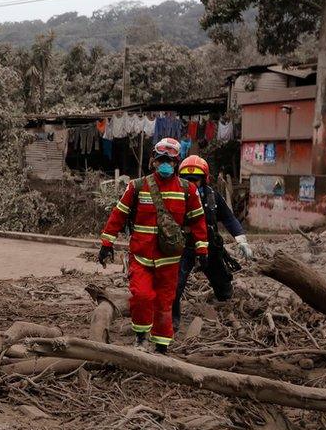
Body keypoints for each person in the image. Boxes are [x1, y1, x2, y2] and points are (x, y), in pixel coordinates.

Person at [98, 138, 209, 354]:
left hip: (169, 260)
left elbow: (198, 222)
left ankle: (161, 346)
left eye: (170, 160)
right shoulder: (137, 186)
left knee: (165, 303)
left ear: (176, 163)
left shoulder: (187, 190)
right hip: (141, 257)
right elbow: (118, 215)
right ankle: (140, 338)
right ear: (153, 161)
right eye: (161, 160)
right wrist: (106, 243)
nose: (165, 164)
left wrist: (202, 250)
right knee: (141, 296)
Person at [173, 155, 253, 329]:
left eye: (195, 180)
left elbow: (229, 219)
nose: (191, 183)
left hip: (209, 247)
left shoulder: (212, 197)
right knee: (175, 285)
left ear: (204, 179)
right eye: (186, 179)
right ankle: (173, 322)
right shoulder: (173, 197)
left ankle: (227, 310)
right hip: (183, 248)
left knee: (223, 283)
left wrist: (242, 241)